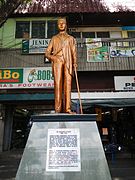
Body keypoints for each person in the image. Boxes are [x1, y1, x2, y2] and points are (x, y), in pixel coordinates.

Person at [45, 17, 77, 114]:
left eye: (63, 23)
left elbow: (73, 52)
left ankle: (67, 108)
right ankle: (57, 109)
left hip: (68, 62)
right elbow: (47, 53)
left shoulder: (71, 38)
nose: (61, 25)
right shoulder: (54, 38)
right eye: (59, 23)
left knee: (68, 85)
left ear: (66, 24)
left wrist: (75, 62)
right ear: (57, 25)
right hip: (57, 61)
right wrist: (54, 58)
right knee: (58, 85)